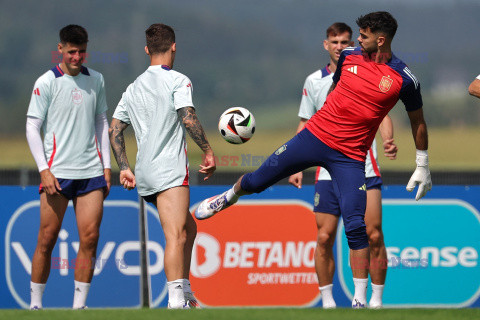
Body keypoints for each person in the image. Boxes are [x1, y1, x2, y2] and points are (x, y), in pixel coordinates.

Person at [194, 11, 432, 308]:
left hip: (350, 158)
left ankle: (360, 301)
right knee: (256, 181)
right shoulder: (349, 57)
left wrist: (422, 164)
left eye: (364, 35)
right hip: (314, 138)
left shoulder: (404, 79)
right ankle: (228, 197)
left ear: (381, 40)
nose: (357, 39)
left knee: (357, 226)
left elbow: (418, 122)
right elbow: (338, 90)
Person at [287, 22, 397, 309]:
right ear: (326, 45)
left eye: (345, 41)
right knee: (324, 237)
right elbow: (305, 122)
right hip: (325, 171)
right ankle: (327, 304)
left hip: (362, 167)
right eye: (334, 42)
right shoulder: (313, 81)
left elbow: (383, 114)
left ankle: (374, 300)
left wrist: (388, 139)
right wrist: (295, 165)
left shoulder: (368, 72)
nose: (339, 46)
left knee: (372, 234)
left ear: (353, 45)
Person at [109, 23, 216, 309]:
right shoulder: (178, 80)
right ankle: (174, 301)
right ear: (174, 46)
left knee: (188, 230)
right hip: (169, 171)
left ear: (146, 50)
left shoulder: (133, 87)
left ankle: (186, 292)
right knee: (176, 235)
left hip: (145, 174)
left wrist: (124, 166)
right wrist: (207, 150)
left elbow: (114, 129)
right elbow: (188, 117)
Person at [26, 25, 111, 310]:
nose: (77, 57)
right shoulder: (46, 82)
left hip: (91, 174)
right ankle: (35, 306)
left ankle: (79, 307)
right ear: (60, 49)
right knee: (47, 239)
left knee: (90, 237)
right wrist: (43, 170)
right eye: (72, 51)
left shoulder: (96, 79)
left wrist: (107, 168)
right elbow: (31, 126)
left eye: (82, 51)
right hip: (56, 175)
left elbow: (102, 123)